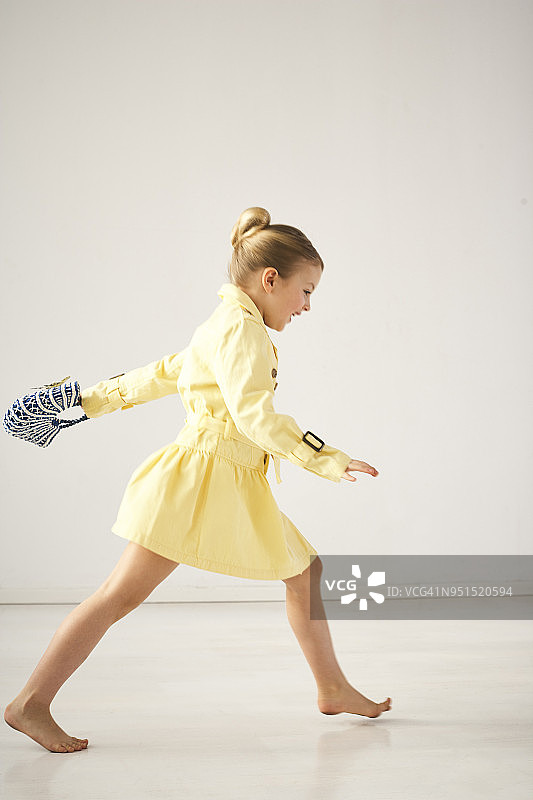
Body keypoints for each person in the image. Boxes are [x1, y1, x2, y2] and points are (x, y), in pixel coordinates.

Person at [3, 206, 391, 754]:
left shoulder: (226, 323)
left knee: (305, 571)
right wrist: (329, 458)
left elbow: (162, 373)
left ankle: (331, 687)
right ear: (270, 279)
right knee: (117, 597)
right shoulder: (241, 329)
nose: (308, 306)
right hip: (200, 482)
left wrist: (79, 404)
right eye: (306, 291)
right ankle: (30, 704)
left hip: (222, 479)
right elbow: (255, 416)